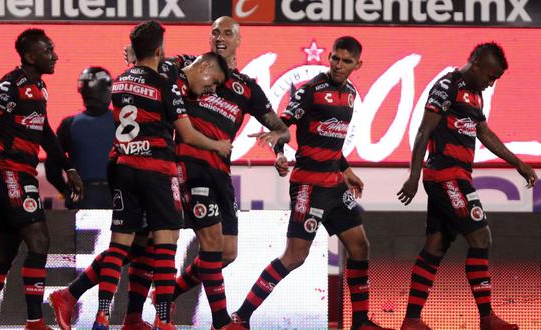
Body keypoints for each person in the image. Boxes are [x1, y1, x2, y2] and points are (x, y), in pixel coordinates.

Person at [230, 36, 390, 330]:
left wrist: (346, 168)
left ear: (358, 64)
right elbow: (281, 126)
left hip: (335, 184)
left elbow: (329, 138)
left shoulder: (351, 94)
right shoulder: (310, 91)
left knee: (359, 247)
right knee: (294, 256)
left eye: (346, 61)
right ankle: (241, 317)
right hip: (309, 185)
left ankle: (360, 323)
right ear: (329, 57)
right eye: (335, 58)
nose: (339, 65)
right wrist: (279, 153)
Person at [87, 21, 232, 330]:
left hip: (123, 167)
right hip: (156, 171)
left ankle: (101, 316)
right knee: (166, 245)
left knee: (120, 245)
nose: (211, 90)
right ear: (157, 50)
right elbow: (188, 134)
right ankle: (164, 321)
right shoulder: (163, 84)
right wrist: (217, 145)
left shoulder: (120, 81)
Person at [151, 17, 290, 325]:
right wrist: (141, 57)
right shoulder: (189, 65)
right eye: (215, 32)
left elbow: (281, 128)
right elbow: (157, 67)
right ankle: (221, 321)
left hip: (220, 174)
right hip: (190, 165)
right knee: (212, 243)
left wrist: (279, 149)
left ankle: (168, 293)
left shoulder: (248, 88)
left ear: (239, 40)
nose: (220, 37)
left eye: (228, 32)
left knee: (227, 252)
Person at [397, 42, 537, 330]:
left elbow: (484, 132)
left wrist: (518, 163)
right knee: (481, 237)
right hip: (446, 176)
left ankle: (411, 320)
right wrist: (413, 177)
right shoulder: (446, 86)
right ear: (476, 65)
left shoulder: (475, 96)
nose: (490, 83)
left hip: (456, 177)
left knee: (434, 247)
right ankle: (487, 319)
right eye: (490, 76)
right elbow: (424, 131)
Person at [0, 29, 83, 330]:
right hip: (9, 174)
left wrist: (68, 167)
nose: (55, 56)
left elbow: (44, 133)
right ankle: (34, 322)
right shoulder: (7, 87)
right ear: (30, 57)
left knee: (5, 250)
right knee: (39, 239)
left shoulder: (39, 88)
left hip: (24, 173)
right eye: (48, 50)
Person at [45, 66, 114, 209]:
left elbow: (52, 168)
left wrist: (67, 192)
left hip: (82, 201)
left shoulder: (69, 124)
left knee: (83, 233)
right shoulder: (123, 122)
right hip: (118, 198)